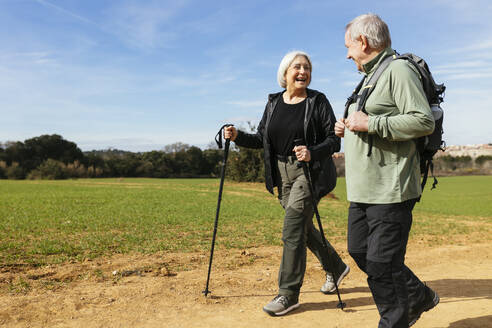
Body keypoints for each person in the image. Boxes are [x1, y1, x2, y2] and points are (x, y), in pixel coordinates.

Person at [224, 50, 349, 316]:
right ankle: (336, 266)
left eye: (307, 68)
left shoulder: (317, 101)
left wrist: (312, 151)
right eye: (297, 67)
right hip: (281, 174)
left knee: (292, 229)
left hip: (310, 172)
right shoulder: (273, 103)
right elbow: (262, 139)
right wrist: (237, 137)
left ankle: (288, 294)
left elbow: (333, 139)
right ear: (285, 73)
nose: (303, 72)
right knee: (301, 227)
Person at [336, 13, 439, 327]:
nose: (348, 53)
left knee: (383, 262)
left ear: (364, 42)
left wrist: (371, 123)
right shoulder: (369, 76)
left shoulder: (398, 70)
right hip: (363, 189)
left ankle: (394, 320)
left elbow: (423, 121)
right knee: (360, 251)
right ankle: (418, 295)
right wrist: (348, 126)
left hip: (391, 188)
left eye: (349, 46)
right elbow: (366, 120)